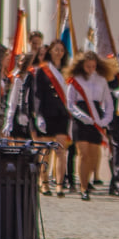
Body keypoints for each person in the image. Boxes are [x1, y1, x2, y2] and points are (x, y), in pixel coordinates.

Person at [63, 50, 115, 200]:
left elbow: (108, 103)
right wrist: (82, 116)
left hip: (96, 119)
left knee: (92, 155)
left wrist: (105, 120)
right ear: (82, 65)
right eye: (88, 66)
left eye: (93, 66)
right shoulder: (75, 80)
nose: (91, 69)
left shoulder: (102, 80)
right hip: (81, 119)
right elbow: (70, 103)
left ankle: (88, 181)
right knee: (83, 153)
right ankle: (83, 187)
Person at [30, 42, 72, 194]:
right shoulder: (43, 70)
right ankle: (44, 182)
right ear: (50, 52)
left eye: (62, 50)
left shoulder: (67, 71)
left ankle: (60, 184)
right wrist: (39, 115)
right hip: (47, 114)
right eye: (56, 50)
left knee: (61, 150)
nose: (59, 52)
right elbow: (37, 95)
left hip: (62, 114)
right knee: (45, 151)